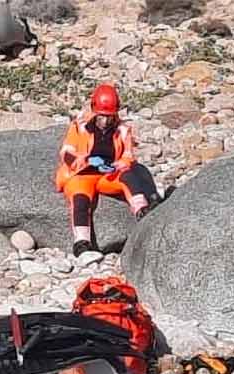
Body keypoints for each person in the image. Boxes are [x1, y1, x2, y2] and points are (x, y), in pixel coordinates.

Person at [55, 83, 165, 257]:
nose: (105, 121)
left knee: (130, 176)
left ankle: (142, 211)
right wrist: (86, 160)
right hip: (81, 175)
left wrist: (119, 165)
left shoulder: (122, 130)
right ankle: (82, 242)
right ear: (93, 110)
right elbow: (66, 153)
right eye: (101, 116)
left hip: (108, 174)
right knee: (81, 200)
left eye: (109, 117)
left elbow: (128, 156)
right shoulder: (79, 127)